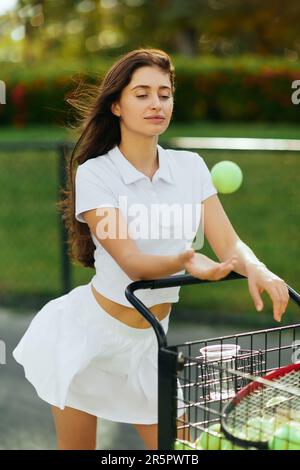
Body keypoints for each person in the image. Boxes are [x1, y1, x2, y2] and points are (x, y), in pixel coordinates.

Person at [12, 48, 289, 451]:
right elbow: (131, 262)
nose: (156, 103)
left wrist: (258, 268)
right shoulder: (95, 175)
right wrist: (185, 261)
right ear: (117, 106)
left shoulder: (191, 167)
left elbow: (228, 243)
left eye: (165, 93)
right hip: (86, 340)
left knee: (180, 454)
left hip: (149, 347)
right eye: (141, 94)